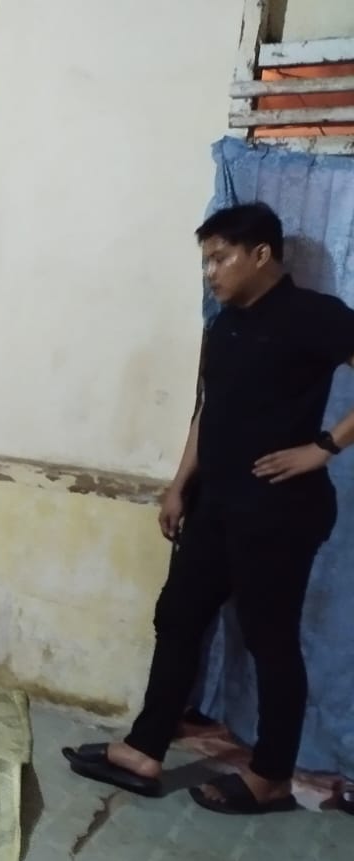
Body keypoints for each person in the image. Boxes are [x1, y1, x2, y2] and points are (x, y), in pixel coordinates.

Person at [64, 202, 354, 815]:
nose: (210, 272)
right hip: (215, 503)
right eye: (206, 261)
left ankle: (272, 775)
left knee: (271, 639)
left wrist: (324, 447)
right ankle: (144, 750)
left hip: (279, 511)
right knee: (177, 617)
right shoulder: (225, 325)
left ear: (261, 254)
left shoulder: (314, 316)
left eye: (220, 258)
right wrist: (179, 484)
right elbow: (208, 409)